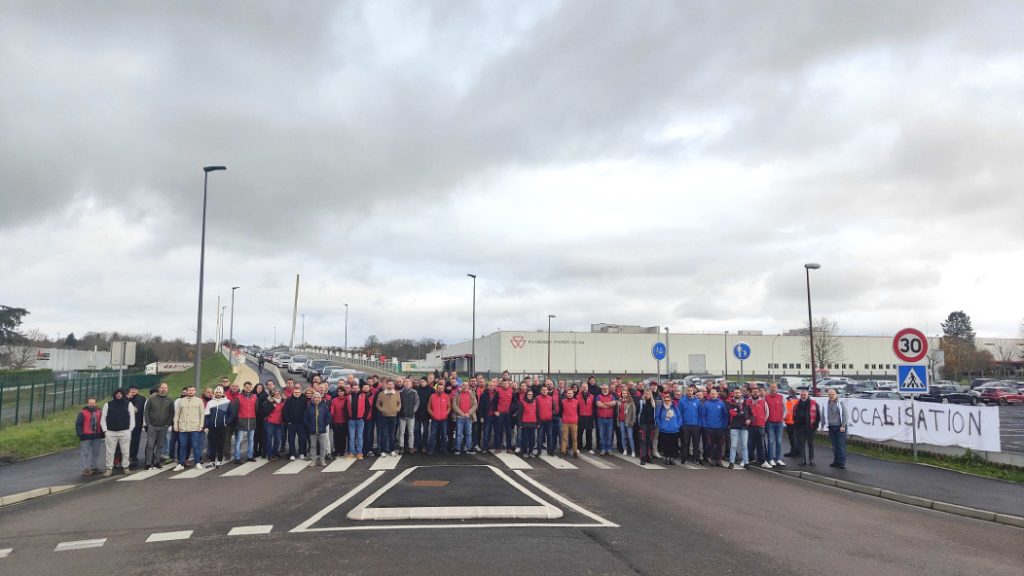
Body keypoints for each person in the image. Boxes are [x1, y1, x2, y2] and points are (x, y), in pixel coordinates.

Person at [100, 388, 135, 477]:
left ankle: (126, 467)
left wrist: (130, 429)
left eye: (120, 393)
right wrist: (105, 430)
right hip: (111, 432)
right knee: (110, 452)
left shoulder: (128, 404)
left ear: (123, 394)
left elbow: (132, 417)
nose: (119, 395)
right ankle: (109, 468)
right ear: (114, 394)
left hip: (125, 432)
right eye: (117, 393)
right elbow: (103, 418)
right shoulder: (108, 405)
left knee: (125, 451)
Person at [172, 385, 205, 472]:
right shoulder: (181, 401)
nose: (190, 392)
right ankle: (181, 464)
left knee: (195, 446)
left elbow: (202, 414)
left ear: (195, 391)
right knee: (182, 446)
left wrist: (201, 425)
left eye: (192, 390)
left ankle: (197, 463)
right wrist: (175, 425)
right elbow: (177, 414)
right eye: (189, 390)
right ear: (186, 391)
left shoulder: (199, 401)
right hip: (183, 428)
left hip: (195, 428)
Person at [142, 382, 174, 470]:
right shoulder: (151, 399)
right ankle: (148, 463)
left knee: (160, 445)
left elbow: (171, 413)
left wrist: (168, 423)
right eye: (162, 388)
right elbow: (146, 412)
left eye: (165, 388)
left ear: (167, 390)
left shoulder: (170, 400)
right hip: (152, 426)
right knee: (150, 445)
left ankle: (156, 462)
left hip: (163, 426)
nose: (163, 389)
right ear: (159, 389)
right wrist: (148, 424)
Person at [230, 381, 259, 464]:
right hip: (241, 422)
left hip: (252, 421)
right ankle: (237, 457)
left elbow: (256, 409)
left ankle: (250, 456)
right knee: (239, 440)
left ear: (251, 388)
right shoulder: (238, 398)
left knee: (251, 440)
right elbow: (234, 410)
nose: (248, 388)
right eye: (246, 387)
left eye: (250, 387)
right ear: (244, 387)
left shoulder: (255, 397)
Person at [76, 396, 105, 476]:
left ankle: (94, 467)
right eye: (90, 403)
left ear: (95, 403)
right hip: (86, 435)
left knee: (96, 452)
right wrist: (81, 434)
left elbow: (102, 422)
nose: (92, 404)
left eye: (93, 403)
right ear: (87, 403)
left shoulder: (99, 412)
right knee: (84, 453)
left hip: (97, 435)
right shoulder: (82, 413)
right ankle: (84, 469)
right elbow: (78, 424)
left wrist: (102, 433)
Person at [700, 389, 729, 467]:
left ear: (717, 394)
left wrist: (724, 426)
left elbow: (725, 416)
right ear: (709, 395)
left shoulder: (721, 404)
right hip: (709, 427)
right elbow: (703, 416)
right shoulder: (706, 404)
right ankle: (712, 459)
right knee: (711, 444)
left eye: (714, 394)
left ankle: (718, 459)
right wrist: (705, 425)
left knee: (719, 444)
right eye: (712, 394)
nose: (713, 395)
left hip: (719, 427)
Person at [792, 389, 821, 466]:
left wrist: (815, 426)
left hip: (810, 427)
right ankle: (802, 459)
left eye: (805, 394)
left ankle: (811, 459)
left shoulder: (814, 403)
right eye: (802, 394)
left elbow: (818, 416)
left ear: (808, 395)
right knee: (801, 444)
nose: (803, 396)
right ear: (800, 395)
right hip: (800, 428)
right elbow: (793, 415)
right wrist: (796, 426)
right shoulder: (796, 404)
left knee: (811, 444)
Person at [204, 386, 231, 467]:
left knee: (220, 444)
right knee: (212, 444)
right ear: (214, 393)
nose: (218, 394)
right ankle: (212, 461)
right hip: (212, 427)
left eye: (220, 393)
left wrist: (226, 422)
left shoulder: (227, 402)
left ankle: (219, 460)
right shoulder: (210, 403)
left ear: (222, 393)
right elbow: (207, 415)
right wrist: (206, 426)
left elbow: (231, 414)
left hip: (222, 427)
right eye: (216, 393)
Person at [823, 388, 849, 469]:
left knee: (841, 446)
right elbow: (823, 414)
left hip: (840, 427)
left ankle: (841, 462)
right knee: (834, 446)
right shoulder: (826, 403)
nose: (831, 396)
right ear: (828, 395)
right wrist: (823, 425)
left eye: (833, 394)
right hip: (831, 427)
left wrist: (843, 425)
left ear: (836, 395)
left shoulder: (840, 403)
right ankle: (836, 461)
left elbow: (845, 415)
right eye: (830, 394)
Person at [375, 380, 401, 457]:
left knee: (392, 434)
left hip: (393, 416)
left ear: (393, 385)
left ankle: (392, 450)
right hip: (384, 417)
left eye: (391, 384)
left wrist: (398, 409)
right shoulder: (381, 394)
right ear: (386, 385)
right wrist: (382, 410)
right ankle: (383, 451)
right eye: (388, 384)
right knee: (384, 434)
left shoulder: (397, 393)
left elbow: (399, 403)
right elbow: (377, 404)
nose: (390, 385)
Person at [305, 391, 332, 466]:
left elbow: (328, 417)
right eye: (315, 397)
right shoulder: (309, 407)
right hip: (312, 430)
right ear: (313, 398)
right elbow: (306, 418)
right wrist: (309, 426)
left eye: (318, 397)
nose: (316, 398)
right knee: (313, 446)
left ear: (320, 398)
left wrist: (324, 425)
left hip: (322, 430)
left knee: (322, 446)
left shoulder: (324, 407)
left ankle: (322, 460)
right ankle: (313, 460)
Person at [727, 388, 751, 469]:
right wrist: (741, 413)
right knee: (733, 446)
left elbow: (752, 414)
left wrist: (749, 419)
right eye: (735, 393)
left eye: (738, 392)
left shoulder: (746, 402)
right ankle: (731, 462)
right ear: (733, 394)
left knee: (744, 446)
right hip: (734, 427)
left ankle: (746, 463)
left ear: (741, 393)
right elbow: (732, 413)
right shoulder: (731, 402)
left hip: (744, 427)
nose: (737, 394)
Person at [346, 383, 373, 459]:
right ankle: (352, 452)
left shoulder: (364, 396)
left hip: (360, 420)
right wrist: (348, 417)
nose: (355, 389)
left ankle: (359, 453)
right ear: (351, 388)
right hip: (351, 420)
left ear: (359, 388)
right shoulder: (348, 396)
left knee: (359, 437)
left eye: (356, 388)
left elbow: (368, 408)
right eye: (354, 388)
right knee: (351, 437)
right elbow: (346, 408)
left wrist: (364, 417)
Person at [655, 391, 682, 465]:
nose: (667, 401)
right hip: (664, 430)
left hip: (674, 429)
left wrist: (678, 425)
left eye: (668, 400)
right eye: (665, 400)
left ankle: (672, 458)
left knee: (673, 445)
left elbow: (679, 417)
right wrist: (661, 426)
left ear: (671, 400)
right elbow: (657, 418)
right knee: (666, 445)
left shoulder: (675, 407)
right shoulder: (661, 408)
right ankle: (666, 458)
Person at [451, 379, 477, 455]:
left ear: (468, 386)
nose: (465, 386)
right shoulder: (457, 393)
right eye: (464, 385)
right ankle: (457, 448)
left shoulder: (472, 394)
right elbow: (454, 405)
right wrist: (461, 413)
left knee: (468, 433)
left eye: (466, 385)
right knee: (459, 433)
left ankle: (468, 448)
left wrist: (469, 413)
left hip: (468, 417)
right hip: (459, 417)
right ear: (461, 386)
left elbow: (475, 404)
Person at [764, 383, 787, 467]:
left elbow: (785, 409)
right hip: (770, 423)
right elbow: (764, 410)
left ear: (777, 388)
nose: (773, 388)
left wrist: (782, 417)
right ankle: (770, 459)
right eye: (772, 387)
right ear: (770, 388)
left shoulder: (781, 397)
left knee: (779, 441)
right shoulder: (766, 398)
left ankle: (778, 459)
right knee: (770, 441)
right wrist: (766, 419)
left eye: (775, 387)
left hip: (779, 423)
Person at [747, 387, 770, 468]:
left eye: (757, 392)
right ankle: (750, 459)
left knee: (761, 445)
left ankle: (762, 461)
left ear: (759, 393)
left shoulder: (763, 402)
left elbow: (767, 413)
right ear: (751, 393)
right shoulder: (747, 402)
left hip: (760, 426)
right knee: (750, 444)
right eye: (754, 392)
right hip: (750, 427)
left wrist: (762, 421)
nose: (755, 393)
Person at [283, 385, 308, 460]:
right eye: (295, 392)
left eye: (298, 392)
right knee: (291, 439)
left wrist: (304, 421)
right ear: (293, 393)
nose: (297, 393)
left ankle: (302, 453)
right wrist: (288, 421)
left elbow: (306, 411)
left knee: (302, 439)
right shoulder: (289, 400)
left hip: (301, 423)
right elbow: (285, 411)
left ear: (300, 393)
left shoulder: (304, 400)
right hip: (291, 423)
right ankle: (292, 454)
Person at [678, 386, 702, 465]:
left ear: (693, 391)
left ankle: (696, 458)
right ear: (686, 392)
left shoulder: (697, 401)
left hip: (695, 426)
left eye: (691, 390)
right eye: (688, 391)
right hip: (685, 425)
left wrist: (699, 424)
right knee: (685, 443)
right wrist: (681, 424)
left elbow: (700, 414)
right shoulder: (682, 401)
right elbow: (679, 414)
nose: (689, 392)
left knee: (696, 443)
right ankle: (684, 458)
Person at [125, 386, 147, 470]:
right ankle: (126, 457)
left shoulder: (141, 398)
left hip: (137, 424)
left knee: (135, 441)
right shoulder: (126, 398)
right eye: (131, 390)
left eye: (135, 390)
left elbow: (142, 410)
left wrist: (144, 422)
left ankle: (134, 457)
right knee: (126, 442)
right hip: (126, 424)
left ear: (137, 390)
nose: (133, 391)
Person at [260, 390, 285, 460]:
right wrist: (272, 406)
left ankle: (274, 452)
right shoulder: (269, 402)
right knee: (269, 439)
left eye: (278, 393)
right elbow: (264, 411)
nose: (277, 394)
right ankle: (269, 455)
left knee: (278, 439)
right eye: (275, 394)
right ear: (272, 395)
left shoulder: (283, 402)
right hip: (269, 422)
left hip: (279, 423)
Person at [427, 383, 451, 455]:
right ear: (436, 389)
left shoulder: (446, 396)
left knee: (444, 435)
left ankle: (444, 449)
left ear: (443, 389)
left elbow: (449, 407)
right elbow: (428, 407)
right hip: (435, 419)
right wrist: (432, 414)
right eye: (439, 388)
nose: (440, 389)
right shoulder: (432, 396)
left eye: (441, 388)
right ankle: (431, 449)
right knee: (433, 435)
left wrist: (446, 413)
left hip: (444, 420)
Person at [635, 389, 657, 465]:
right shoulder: (641, 403)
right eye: (646, 393)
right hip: (643, 424)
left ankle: (648, 456)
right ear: (644, 394)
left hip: (651, 424)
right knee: (643, 441)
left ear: (651, 395)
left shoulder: (653, 403)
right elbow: (638, 413)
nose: (647, 395)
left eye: (649, 393)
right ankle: (643, 458)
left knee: (649, 441)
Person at [397, 378, 419, 454]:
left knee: (411, 432)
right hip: (402, 415)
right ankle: (401, 447)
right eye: (405, 382)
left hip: (411, 416)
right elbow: (397, 403)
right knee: (401, 433)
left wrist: (414, 411)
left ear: (411, 383)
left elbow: (417, 403)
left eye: (408, 382)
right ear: (403, 383)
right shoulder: (399, 392)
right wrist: (399, 410)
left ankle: (411, 447)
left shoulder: (414, 392)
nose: (407, 383)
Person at [478, 379, 499, 454]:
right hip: (487, 416)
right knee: (486, 432)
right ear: (488, 386)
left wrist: (498, 411)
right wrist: (481, 417)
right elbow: (480, 406)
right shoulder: (484, 394)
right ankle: (485, 448)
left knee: (497, 432)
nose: (491, 386)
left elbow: (499, 404)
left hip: (495, 416)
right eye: (490, 385)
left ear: (495, 386)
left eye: (492, 385)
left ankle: (497, 447)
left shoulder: (497, 394)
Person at [595, 384, 617, 456]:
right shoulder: (598, 396)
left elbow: (614, 403)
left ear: (608, 389)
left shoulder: (612, 396)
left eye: (606, 388)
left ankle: (609, 449)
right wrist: (608, 405)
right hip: (601, 419)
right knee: (602, 435)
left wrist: (604, 403)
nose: (605, 390)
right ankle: (603, 449)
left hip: (610, 419)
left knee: (609, 435)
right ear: (602, 390)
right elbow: (599, 405)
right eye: (603, 389)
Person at [616, 388, 636, 457]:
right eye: (623, 393)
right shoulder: (619, 401)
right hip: (621, 421)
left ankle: (633, 451)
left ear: (627, 394)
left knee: (630, 437)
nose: (624, 394)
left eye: (625, 393)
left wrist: (633, 421)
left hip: (629, 421)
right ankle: (625, 449)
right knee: (623, 436)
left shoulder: (631, 401)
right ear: (621, 394)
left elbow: (634, 412)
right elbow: (618, 411)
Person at [560, 388, 580, 458]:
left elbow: (578, 411)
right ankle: (563, 451)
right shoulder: (563, 402)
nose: (569, 395)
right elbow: (561, 411)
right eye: (568, 393)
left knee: (574, 438)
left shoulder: (576, 402)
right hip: (565, 422)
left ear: (573, 394)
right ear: (566, 394)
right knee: (564, 438)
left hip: (574, 422)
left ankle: (575, 452)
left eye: (571, 393)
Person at [518, 389, 538, 458]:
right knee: (525, 439)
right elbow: (519, 414)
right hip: (525, 423)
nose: (530, 396)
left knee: (532, 439)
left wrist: (538, 423)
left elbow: (537, 413)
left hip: (533, 423)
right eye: (529, 394)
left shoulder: (535, 402)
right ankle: (525, 452)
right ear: (526, 395)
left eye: (531, 395)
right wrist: (520, 424)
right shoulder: (522, 402)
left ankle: (531, 451)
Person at [329, 385, 348, 458]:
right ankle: (337, 450)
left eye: (342, 391)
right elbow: (332, 411)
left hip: (344, 421)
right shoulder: (334, 400)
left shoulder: (347, 399)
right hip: (336, 421)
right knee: (336, 437)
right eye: (339, 391)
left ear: (344, 392)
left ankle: (342, 451)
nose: (340, 393)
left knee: (343, 437)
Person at [578, 384, 596, 454]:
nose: (584, 388)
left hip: (589, 417)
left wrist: (592, 416)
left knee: (589, 433)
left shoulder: (592, 396)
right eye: (583, 387)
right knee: (579, 433)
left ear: (588, 388)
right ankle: (578, 447)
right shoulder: (577, 396)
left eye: (585, 387)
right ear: (581, 388)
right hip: (581, 417)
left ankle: (589, 448)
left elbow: (594, 407)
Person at [783, 389, 800, 458]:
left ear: (789, 393)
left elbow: (787, 411)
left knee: (792, 437)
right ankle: (798, 451)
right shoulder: (798, 401)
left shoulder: (789, 401)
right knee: (797, 437)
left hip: (790, 421)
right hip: (797, 422)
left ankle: (793, 451)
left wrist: (784, 418)